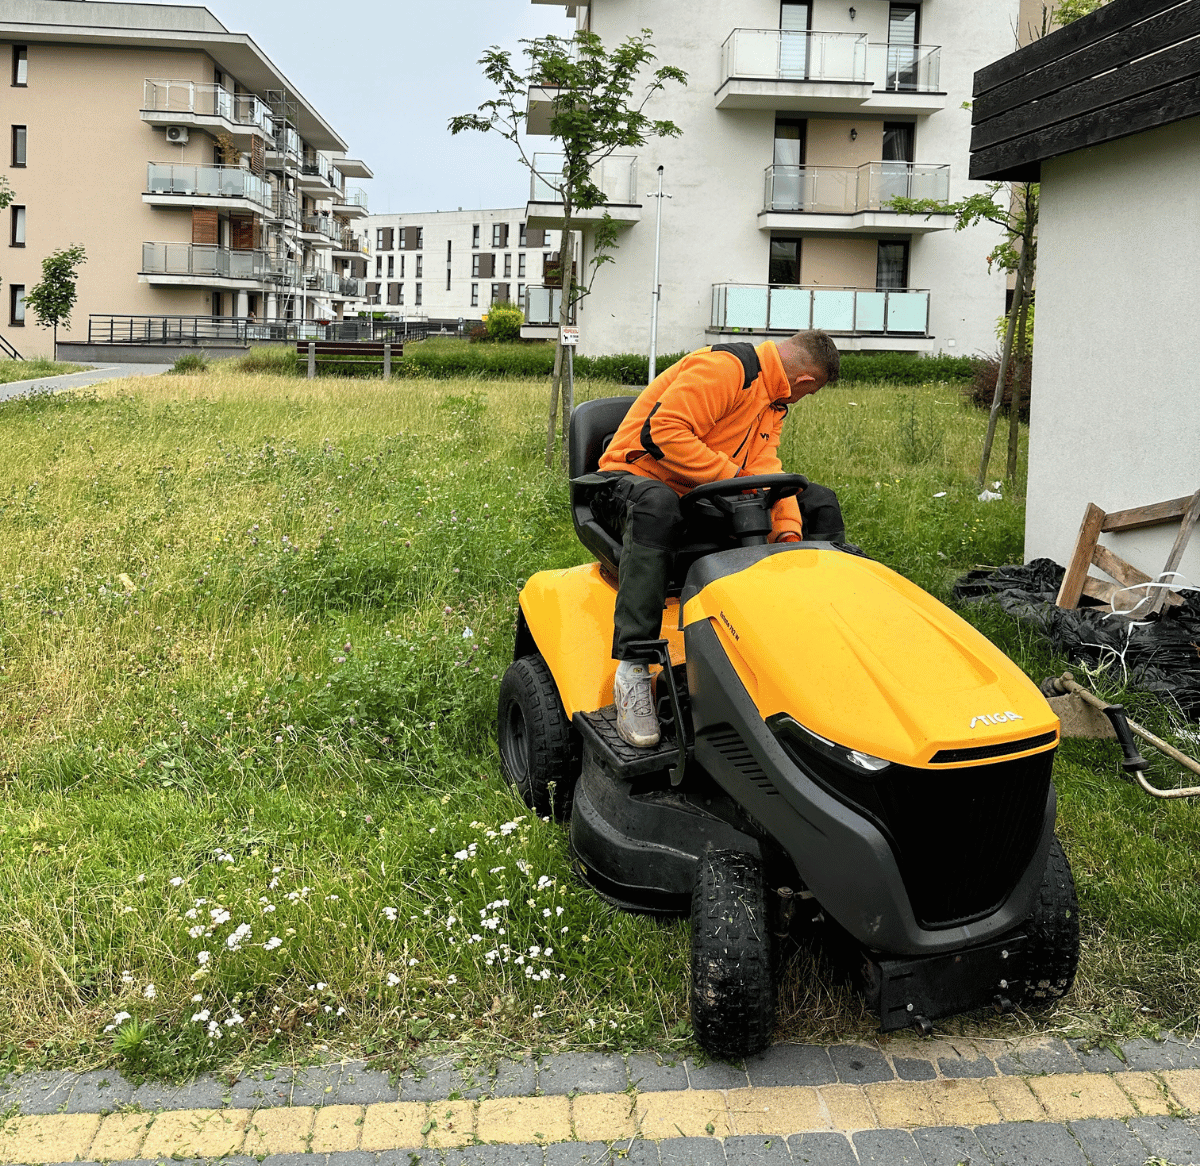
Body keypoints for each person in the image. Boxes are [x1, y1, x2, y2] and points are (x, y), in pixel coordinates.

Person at [589, 330, 843, 748]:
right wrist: (736, 481)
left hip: (698, 492)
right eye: (811, 394)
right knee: (657, 506)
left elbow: (765, 467)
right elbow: (664, 433)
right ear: (806, 383)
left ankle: (813, 637)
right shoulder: (727, 368)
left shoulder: (774, 401)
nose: (805, 399)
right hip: (629, 482)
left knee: (818, 502)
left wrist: (787, 530)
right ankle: (633, 668)